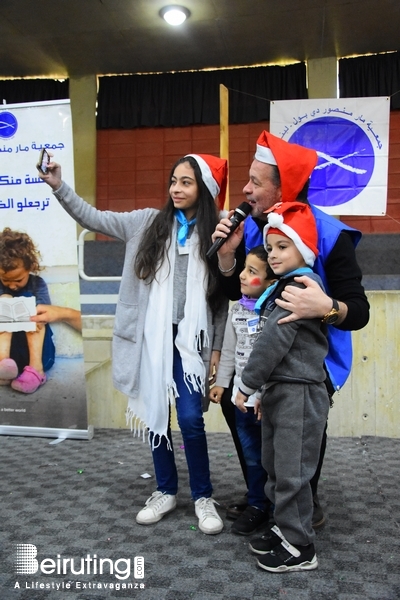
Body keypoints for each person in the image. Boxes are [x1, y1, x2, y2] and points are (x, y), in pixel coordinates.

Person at [40, 152, 229, 535]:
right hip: (149, 340)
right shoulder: (145, 222)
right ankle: (165, 490)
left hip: (190, 344)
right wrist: (59, 186)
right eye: (173, 180)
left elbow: (223, 298)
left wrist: (217, 350)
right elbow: (93, 217)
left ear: (204, 189)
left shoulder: (218, 234)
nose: (176, 188)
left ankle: (203, 496)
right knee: (156, 415)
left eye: (186, 182)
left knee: (191, 419)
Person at [212, 131, 370, 527]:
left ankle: (304, 505)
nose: (245, 189)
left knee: (300, 434)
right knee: (243, 414)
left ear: (287, 187)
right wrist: (229, 256)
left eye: (256, 182)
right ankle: (262, 498)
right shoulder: (253, 229)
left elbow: (360, 311)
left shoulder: (330, 234)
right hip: (260, 355)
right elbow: (239, 291)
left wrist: (327, 307)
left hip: (311, 366)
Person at [235, 201, 330, 572]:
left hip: (299, 394)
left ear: (302, 249)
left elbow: (273, 342)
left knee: (291, 472)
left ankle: (301, 546)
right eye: (270, 247)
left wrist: (246, 386)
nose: (273, 255)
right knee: (276, 467)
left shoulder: (300, 287)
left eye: (283, 246)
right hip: (281, 390)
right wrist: (264, 392)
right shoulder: (286, 286)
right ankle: (284, 527)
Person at [209, 245, 277, 535]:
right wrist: (222, 384)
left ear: (271, 283)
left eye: (252, 271)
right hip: (241, 400)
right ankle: (258, 503)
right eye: (244, 268)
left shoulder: (275, 313)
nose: (242, 275)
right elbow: (228, 351)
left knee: (273, 457)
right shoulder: (237, 310)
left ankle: (278, 507)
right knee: (251, 455)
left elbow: (274, 359)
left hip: (268, 401)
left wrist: (261, 394)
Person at [0, 227, 55, 393]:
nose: (11, 285)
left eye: (18, 279)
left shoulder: (37, 284)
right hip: (10, 354)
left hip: (37, 353)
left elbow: (46, 311)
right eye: (5, 280)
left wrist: (34, 314)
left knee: (36, 312)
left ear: (30, 268)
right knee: (4, 302)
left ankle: (36, 370)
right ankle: (3, 363)